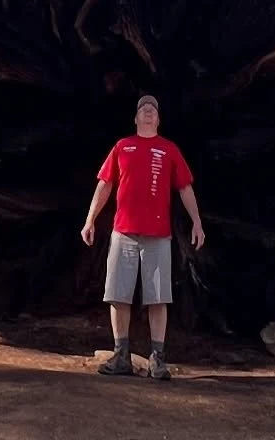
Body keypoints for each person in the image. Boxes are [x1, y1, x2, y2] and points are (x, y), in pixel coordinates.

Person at [81, 94, 204, 380]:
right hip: (123, 232)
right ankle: (121, 354)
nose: (148, 112)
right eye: (143, 109)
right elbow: (105, 184)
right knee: (118, 294)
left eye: (153, 110)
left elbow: (185, 188)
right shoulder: (122, 146)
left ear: (158, 120)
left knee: (158, 297)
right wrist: (90, 220)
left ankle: (157, 358)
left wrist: (197, 222)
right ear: (135, 118)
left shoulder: (169, 149)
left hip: (158, 235)